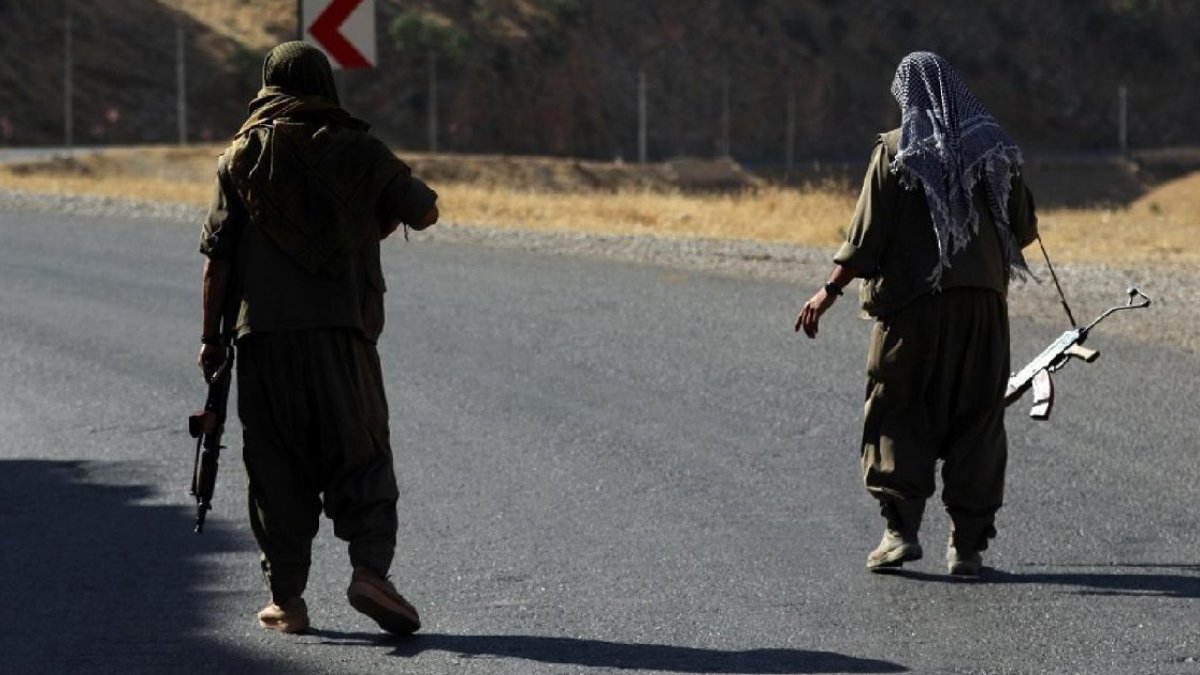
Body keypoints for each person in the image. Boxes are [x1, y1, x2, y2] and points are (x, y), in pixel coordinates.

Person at [197, 41, 439, 634]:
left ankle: (288, 599)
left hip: (263, 343)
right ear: (324, 84)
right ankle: (369, 573)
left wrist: (211, 340)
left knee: (275, 467)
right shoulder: (360, 150)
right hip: (343, 337)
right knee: (361, 455)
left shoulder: (241, 157)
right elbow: (424, 210)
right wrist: (370, 221)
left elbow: (217, 261)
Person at [794, 51, 1038, 577]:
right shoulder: (996, 147)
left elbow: (865, 240)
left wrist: (827, 292)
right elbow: (1024, 230)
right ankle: (967, 548)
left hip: (912, 310)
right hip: (983, 312)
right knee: (978, 418)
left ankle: (900, 534)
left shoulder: (895, 150)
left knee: (898, 409)